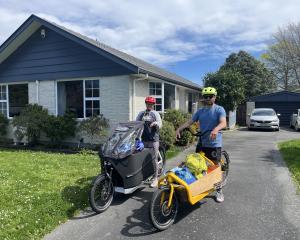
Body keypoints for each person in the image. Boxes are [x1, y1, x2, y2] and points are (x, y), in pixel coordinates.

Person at [175, 87, 227, 202]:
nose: (208, 98)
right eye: (206, 96)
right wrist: (179, 129)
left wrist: (216, 129)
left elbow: (223, 122)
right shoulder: (200, 111)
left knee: (215, 167)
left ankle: (219, 189)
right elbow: (190, 122)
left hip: (214, 143)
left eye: (210, 96)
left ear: (215, 97)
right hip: (202, 141)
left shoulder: (219, 109)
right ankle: (200, 186)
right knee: (197, 165)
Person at [136, 96, 162, 187]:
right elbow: (136, 123)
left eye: (151, 104)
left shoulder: (155, 113)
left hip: (153, 139)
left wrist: (156, 123)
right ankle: (144, 175)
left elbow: (160, 123)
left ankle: (156, 179)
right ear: (146, 104)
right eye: (148, 104)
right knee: (142, 158)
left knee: (154, 159)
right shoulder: (141, 113)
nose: (149, 105)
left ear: (153, 105)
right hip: (143, 139)